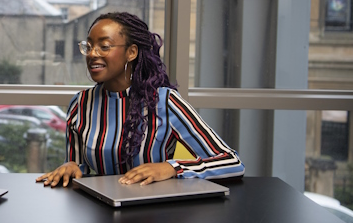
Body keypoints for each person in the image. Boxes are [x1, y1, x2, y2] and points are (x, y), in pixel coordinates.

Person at [36, 12, 245, 187]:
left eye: (104, 46)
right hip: (97, 217)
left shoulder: (165, 102)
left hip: (152, 218)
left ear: (131, 52)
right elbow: (78, 166)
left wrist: (172, 167)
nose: (92, 54)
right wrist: (71, 166)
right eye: (88, 46)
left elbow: (231, 161)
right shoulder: (80, 104)